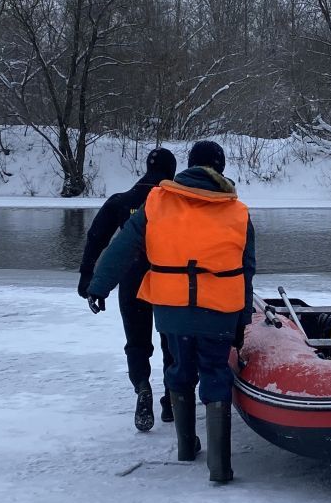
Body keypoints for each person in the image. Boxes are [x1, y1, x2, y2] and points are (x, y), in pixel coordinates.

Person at [85, 141, 256, 483]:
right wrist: (242, 320)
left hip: (170, 306)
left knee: (179, 369)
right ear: (219, 170)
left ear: (189, 167)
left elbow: (122, 247)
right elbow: (246, 269)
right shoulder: (237, 211)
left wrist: (98, 285)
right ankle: (220, 467)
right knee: (215, 373)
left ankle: (185, 448)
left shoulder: (157, 202)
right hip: (220, 309)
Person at [78, 147, 178, 432]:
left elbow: (96, 238)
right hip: (167, 282)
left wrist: (88, 277)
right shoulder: (177, 203)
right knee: (171, 343)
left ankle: (142, 387)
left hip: (131, 280)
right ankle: (172, 400)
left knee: (137, 343)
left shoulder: (122, 201)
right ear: (171, 172)